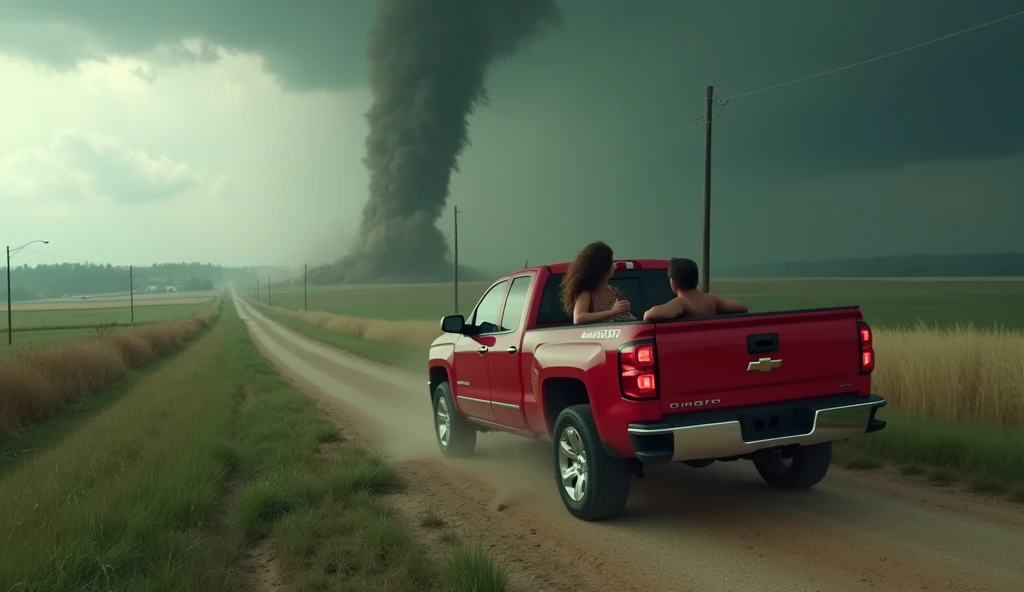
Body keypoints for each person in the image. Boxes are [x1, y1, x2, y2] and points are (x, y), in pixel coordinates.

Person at [643, 257, 748, 321]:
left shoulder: (681, 303)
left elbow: (650, 315)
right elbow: (742, 307)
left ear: (674, 283)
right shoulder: (712, 299)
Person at [561, 241, 636, 325]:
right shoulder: (587, 293)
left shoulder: (616, 292)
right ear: (602, 267)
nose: (615, 266)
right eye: (611, 262)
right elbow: (578, 318)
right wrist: (612, 312)